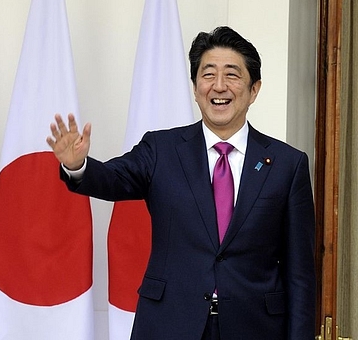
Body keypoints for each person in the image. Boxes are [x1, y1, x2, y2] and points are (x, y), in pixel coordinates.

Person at [46, 26, 316, 340]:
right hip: (170, 324)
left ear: (254, 89)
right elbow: (111, 179)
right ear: (194, 85)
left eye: (232, 75)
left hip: (255, 327)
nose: (219, 86)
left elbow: (300, 276)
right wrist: (76, 165)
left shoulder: (287, 164)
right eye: (208, 74)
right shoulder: (161, 150)